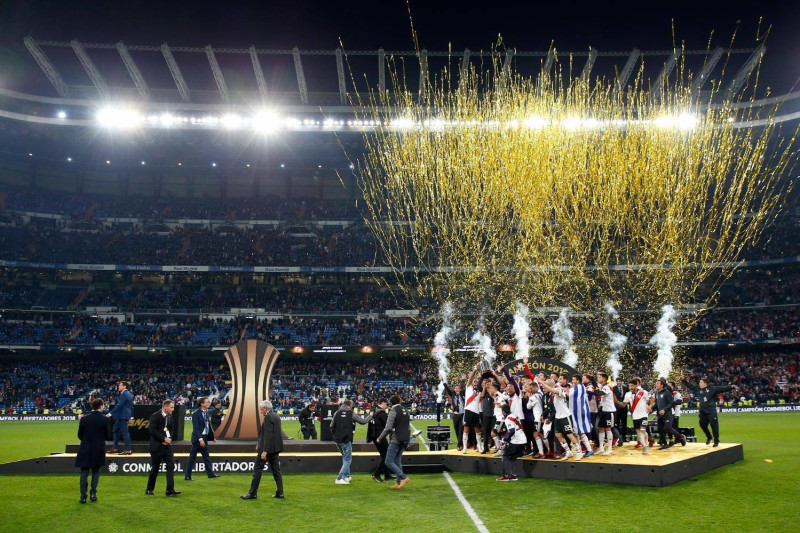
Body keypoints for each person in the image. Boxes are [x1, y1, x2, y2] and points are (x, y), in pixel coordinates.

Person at [241, 400, 284, 499]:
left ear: (265, 409)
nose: (260, 411)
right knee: (276, 471)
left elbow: (268, 435)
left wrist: (264, 450)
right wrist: (259, 444)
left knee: (257, 470)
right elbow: (271, 434)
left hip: (267, 449)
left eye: (261, 409)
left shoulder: (268, 417)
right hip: (275, 449)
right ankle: (280, 492)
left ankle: (252, 493)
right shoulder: (276, 416)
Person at [75, 398, 111, 504]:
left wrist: (86, 441)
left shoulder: (84, 419)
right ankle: (93, 494)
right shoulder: (105, 419)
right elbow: (108, 436)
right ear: (101, 406)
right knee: (95, 472)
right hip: (98, 449)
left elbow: (79, 435)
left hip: (85, 448)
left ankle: (83, 496)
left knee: (84, 472)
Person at [681, 376, 734, 447]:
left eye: (701, 382)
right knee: (702, 425)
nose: (699, 383)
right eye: (699, 382)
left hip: (711, 411)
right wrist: (684, 380)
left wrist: (731, 387)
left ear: (705, 384)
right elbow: (690, 386)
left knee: (714, 426)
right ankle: (709, 436)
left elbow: (722, 388)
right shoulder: (698, 389)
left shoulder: (712, 389)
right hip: (702, 411)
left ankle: (716, 441)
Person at [541, 374, 583, 461]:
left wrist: (542, 383)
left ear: (550, 385)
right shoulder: (551, 394)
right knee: (558, 434)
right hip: (558, 416)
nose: (544, 387)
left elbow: (554, 391)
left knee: (569, 434)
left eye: (546, 385)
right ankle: (568, 451)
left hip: (565, 416)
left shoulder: (558, 389)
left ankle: (579, 452)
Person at [330, 399, 371, 484]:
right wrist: (370, 416)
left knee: (345, 458)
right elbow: (363, 422)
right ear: (350, 405)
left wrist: (335, 435)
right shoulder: (350, 413)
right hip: (346, 439)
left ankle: (346, 476)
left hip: (338, 440)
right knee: (348, 459)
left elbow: (331, 426)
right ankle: (339, 478)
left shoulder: (336, 413)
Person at [146, 399, 181, 496]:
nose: (173, 409)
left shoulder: (169, 416)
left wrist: (169, 439)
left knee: (171, 465)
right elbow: (152, 431)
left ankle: (170, 489)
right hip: (156, 447)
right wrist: (164, 439)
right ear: (165, 407)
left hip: (167, 447)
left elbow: (172, 429)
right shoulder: (155, 416)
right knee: (155, 468)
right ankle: (149, 489)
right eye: (172, 407)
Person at [376, 395, 412, 489]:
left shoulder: (394, 410)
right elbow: (408, 426)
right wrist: (407, 440)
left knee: (388, 461)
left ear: (391, 403)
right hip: (404, 439)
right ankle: (399, 483)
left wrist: (380, 437)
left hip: (396, 439)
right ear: (399, 401)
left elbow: (388, 427)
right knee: (397, 460)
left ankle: (403, 477)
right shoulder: (405, 411)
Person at [185, 396, 221, 481]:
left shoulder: (207, 413)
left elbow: (208, 425)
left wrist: (212, 437)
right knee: (192, 458)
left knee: (206, 458)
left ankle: (211, 474)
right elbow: (196, 428)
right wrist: (200, 439)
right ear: (202, 404)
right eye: (207, 402)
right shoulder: (196, 414)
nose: (208, 403)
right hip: (198, 439)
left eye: (208, 402)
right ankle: (187, 475)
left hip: (204, 438)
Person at [649, 379, 686, 449]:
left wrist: (664, 410)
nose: (656, 385)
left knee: (667, 428)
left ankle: (680, 436)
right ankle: (665, 444)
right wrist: (652, 409)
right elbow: (657, 404)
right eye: (656, 383)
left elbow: (671, 403)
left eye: (657, 383)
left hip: (668, 414)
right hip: (660, 415)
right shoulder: (657, 393)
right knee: (660, 429)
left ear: (662, 385)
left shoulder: (667, 393)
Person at [619, 378, 651, 455]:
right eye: (629, 386)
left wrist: (650, 406)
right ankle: (645, 445)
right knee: (638, 432)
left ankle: (645, 446)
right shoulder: (628, 394)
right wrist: (616, 401)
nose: (630, 387)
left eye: (632, 386)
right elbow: (623, 405)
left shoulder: (643, 392)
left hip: (643, 415)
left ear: (636, 386)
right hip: (635, 416)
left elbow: (651, 399)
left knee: (643, 430)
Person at [497, 404, 527, 481]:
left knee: (505, 456)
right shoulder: (514, 415)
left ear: (503, 412)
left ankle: (505, 476)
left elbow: (512, 431)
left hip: (517, 440)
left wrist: (505, 440)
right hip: (522, 439)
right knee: (512, 457)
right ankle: (513, 475)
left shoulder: (508, 419)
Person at [462, 364, 484, 454]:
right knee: (466, 430)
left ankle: (479, 446)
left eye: (476, 381)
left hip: (476, 412)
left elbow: (483, 395)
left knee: (477, 430)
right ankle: (464, 447)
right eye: (474, 381)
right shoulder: (468, 388)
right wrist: (475, 369)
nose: (475, 382)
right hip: (468, 411)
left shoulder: (479, 391)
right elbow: (470, 378)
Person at [368, 399, 392, 482]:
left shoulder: (374, 410)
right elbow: (387, 425)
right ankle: (376, 474)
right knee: (386, 455)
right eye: (386, 404)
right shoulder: (382, 413)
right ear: (383, 403)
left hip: (374, 436)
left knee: (383, 455)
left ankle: (387, 475)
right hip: (380, 437)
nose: (387, 405)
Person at [108, 381, 133, 455]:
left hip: (122, 416)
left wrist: (110, 413)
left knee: (125, 433)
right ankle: (115, 448)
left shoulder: (124, 394)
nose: (118, 386)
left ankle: (128, 450)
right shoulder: (129, 394)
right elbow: (131, 407)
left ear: (124, 386)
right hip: (122, 416)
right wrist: (130, 417)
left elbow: (119, 405)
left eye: (120, 385)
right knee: (115, 431)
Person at [594, 372, 616, 455]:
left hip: (609, 411)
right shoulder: (602, 386)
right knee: (601, 429)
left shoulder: (607, 387)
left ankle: (610, 448)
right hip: (604, 411)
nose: (598, 379)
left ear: (604, 379)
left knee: (608, 429)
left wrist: (590, 392)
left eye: (599, 377)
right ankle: (602, 448)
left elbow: (599, 393)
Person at [443, 383, 465, 450]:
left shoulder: (462, 394)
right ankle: (460, 443)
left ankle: (459, 445)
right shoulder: (453, 395)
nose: (457, 389)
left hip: (462, 414)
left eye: (458, 388)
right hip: (455, 415)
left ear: (460, 389)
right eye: (456, 388)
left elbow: (465, 386)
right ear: (454, 390)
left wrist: (463, 380)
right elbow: (447, 388)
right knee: (456, 430)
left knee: (461, 430)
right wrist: (443, 381)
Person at [613, 378, 629, 445]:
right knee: (616, 423)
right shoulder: (613, 388)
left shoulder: (626, 388)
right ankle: (618, 437)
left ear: (621, 382)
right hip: (616, 408)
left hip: (624, 408)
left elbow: (628, 396)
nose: (618, 382)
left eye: (620, 381)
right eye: (617, 381)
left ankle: (624, 437)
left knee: (624, 423)